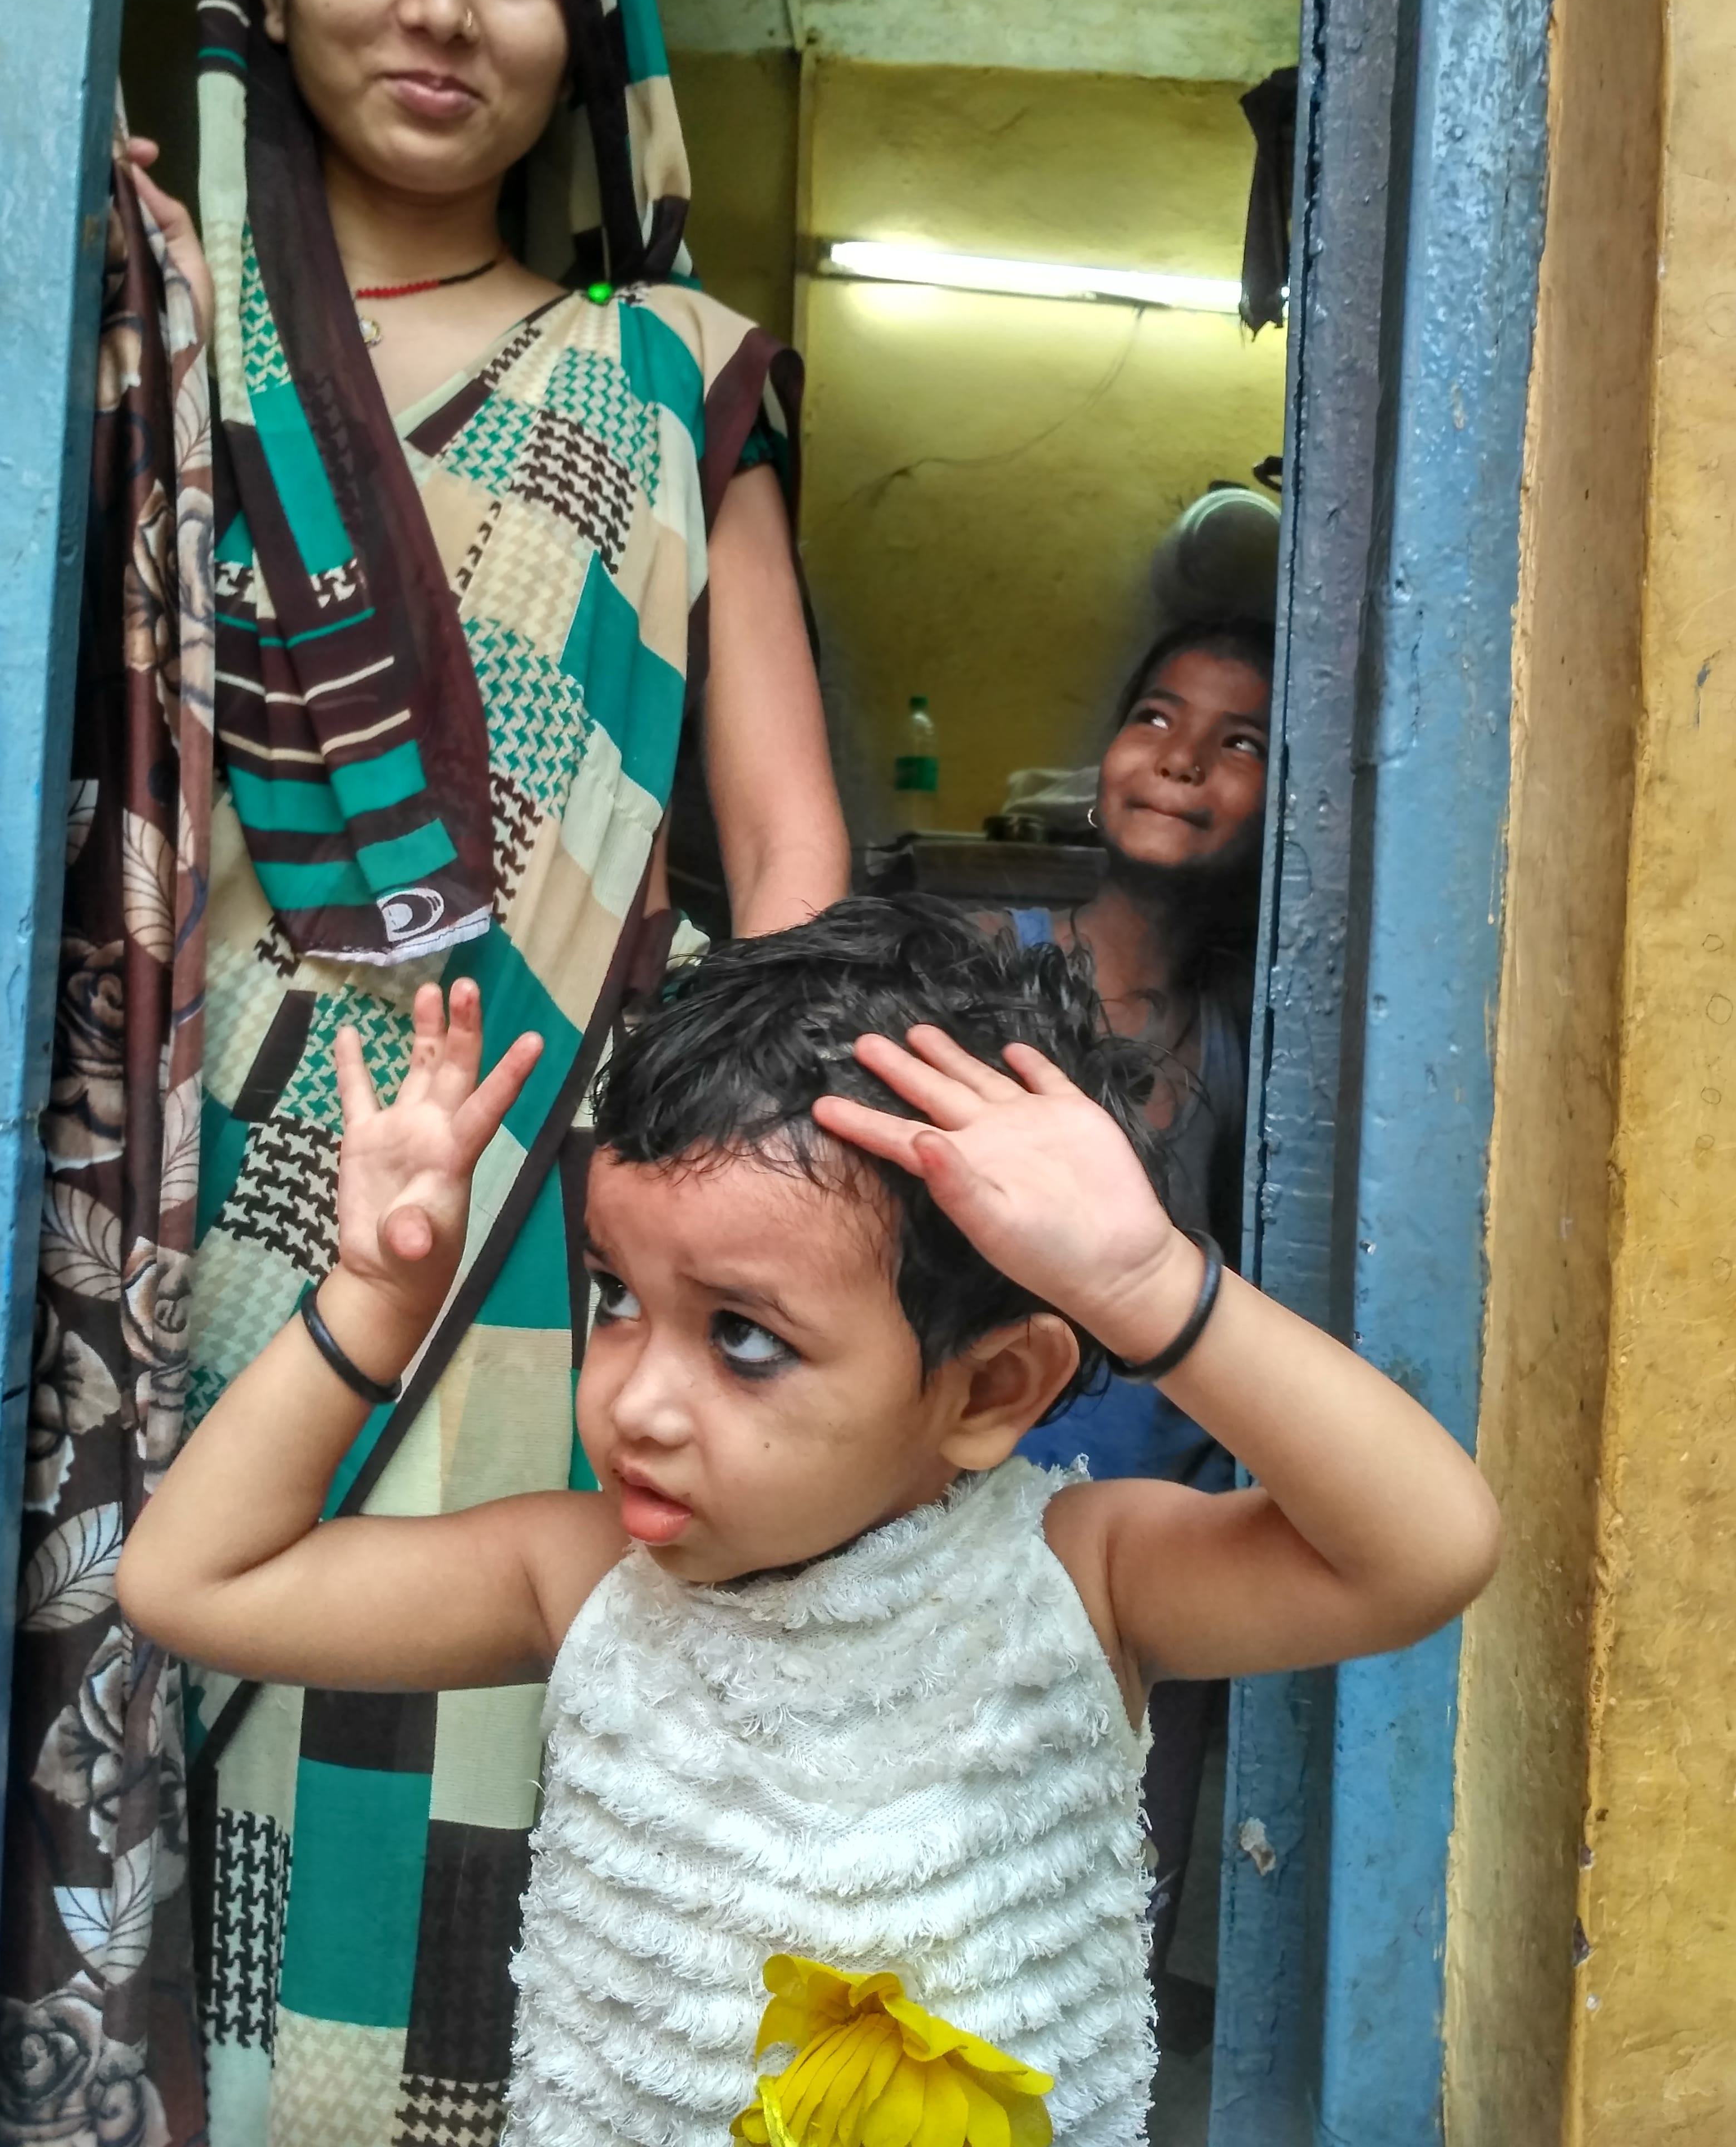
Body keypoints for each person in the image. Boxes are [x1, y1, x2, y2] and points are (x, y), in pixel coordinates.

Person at [119, 897, 1502, 2147]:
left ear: (992, 1389)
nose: (639, 1401)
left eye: (745, 1338)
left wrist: (1150, 1281)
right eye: (618, 1298)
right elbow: (195, 1581)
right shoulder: (581, 1574)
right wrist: (373, 1302)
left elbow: (1422, 1552)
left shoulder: (1081, 1581)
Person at [120, 0, 849, 2135]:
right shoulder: (142, 324)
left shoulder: (670, 379)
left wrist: (771, 1262)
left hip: (562, 1235)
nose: (445, 7)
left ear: (587, 30)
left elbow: (793, 865)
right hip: (190, 1207)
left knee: (499, 1783)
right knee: (168, 1692)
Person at [999, 609, 1273, 2006]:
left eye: (1239, 742)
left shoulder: (1257, 1021)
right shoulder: (996, 966)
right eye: (1157, 718)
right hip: (984, 1509)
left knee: (1118, 1880)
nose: (1182, 762)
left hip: (1161, 1515)